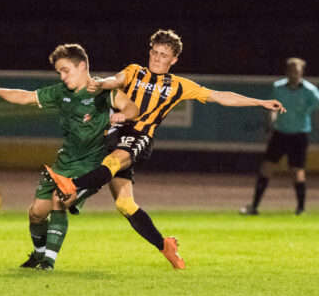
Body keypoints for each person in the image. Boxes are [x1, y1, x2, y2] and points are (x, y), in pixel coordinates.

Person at [48, 29, 285, 269]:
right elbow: (116, 80)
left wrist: (260, 102)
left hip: (139, 136)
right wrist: (100, 83)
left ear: (174, 60)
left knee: (108, 165)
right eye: (154, 52)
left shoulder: (178, 86)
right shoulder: (135, 71)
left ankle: (74, 185)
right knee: (125, 205)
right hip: (113, 136)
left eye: (163, 55)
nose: (157, 58)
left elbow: (219, 96)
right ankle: (166, 246)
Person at [0, 43, 139, 271]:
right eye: (59, 72)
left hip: (89, 166)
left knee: (59, 198)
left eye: (65, 70)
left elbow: (132, 109)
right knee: (36, 214)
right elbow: (26, 97)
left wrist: (121, 116)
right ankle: (38, 256)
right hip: (63, 162)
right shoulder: (61, 93)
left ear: (82, 66)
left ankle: (48, 263)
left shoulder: (104, 91)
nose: (62, 77)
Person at [241, 57, 319, 216]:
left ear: (301, 73)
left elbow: (316, 106)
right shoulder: (278, 87)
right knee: (266, 167)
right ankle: (254, 206)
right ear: (287, 72)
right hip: (280, 133)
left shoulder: (309, 91)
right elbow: (272, 108)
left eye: (296, 71)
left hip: (299, 134)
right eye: (291, 71)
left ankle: (300, 209)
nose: (294, 74)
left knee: (297, 171)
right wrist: (271, 122)